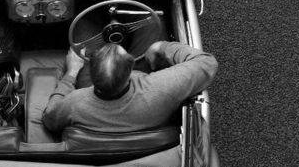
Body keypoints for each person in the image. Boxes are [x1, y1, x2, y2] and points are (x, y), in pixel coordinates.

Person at [41, 38, 217, 136]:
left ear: (91, 73)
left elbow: (50, 119)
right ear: (131, 70)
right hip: (149, 114)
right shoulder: (162, 87)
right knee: (153, 28)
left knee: (85, 27)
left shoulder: (74, 103)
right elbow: (207, 62)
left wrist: (71, 73)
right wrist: (160, 46)